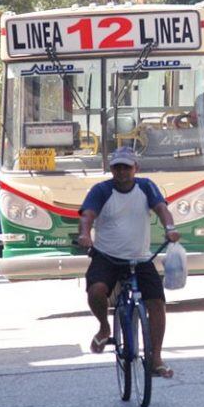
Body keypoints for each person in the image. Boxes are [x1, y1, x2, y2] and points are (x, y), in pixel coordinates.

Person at [77, 146, 180, 379]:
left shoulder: (146, 186)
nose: (122, 172)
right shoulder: (101, 190)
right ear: (111, 170)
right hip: (107, 256)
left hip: (141, 258)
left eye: (126, 167)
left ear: (136, 168)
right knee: (96, 290)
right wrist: (85, 234)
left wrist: (170, 229)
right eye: (117, 168)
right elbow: (88, 216)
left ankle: (156, 359)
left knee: (156, 304)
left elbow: (162, 209)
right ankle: (104, 327)